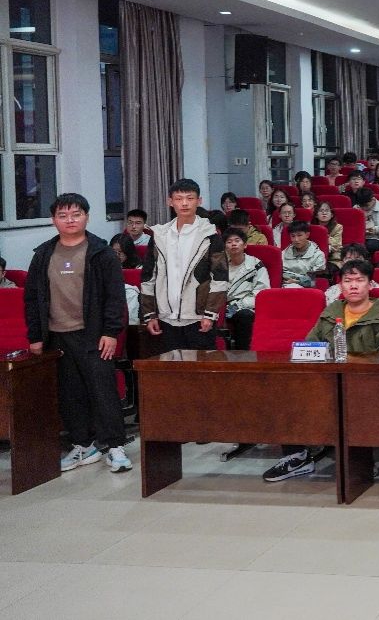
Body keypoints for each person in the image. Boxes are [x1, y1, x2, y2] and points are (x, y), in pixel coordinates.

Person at [264, 260, 379, 482]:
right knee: (286, 389)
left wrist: (356, 364)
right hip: (327, 380)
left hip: (367, 384)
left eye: (359, 280)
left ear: (370, 285)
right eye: (348, 281)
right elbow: (310, 345)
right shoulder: (331, 312)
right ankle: (297, 457)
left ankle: (361, 458)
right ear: (340, 286)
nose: (353, 286)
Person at [24, 193, 131, 474]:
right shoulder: (43, 254)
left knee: (103, 391)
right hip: (56, 336)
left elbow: (115, 297)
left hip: (93, 335)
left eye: (76, 214)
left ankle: (116, 446)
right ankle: (83, 445)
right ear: (53, 220)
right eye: (63, 215)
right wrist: (35, 336)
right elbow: (32, 298)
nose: (70, 220)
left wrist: (110, 332)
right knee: (70, 395)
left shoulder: (100, 253)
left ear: (86, 217)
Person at [139, 179, 228, 352]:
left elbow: (220, 277)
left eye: (190, 198)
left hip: (198, 317)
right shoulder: (159, 235)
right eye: (179, 199)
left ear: (199, 201)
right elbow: (149, 276)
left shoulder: (210, 235)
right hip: (165, 317)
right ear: (170, 202)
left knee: (201, 366)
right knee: (170, 366)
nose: (185, 203)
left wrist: (210, 314)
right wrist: (149, 314)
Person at [223, 227, 269, 350]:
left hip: (246, 307)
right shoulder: (220, 266)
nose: (233, 244)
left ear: (245, 245)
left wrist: (238, 305)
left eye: (237, 241)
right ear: (225, 247)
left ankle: (242, 353)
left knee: (244, 316)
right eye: (229, 242)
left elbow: (261, 292)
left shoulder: (256, 265)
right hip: (223, 307)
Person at [279, 220, 324, 287]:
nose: (296, 240)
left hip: (307, 288)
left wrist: (298, 281)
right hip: (284, 285)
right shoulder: (283, 253)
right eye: (293, 236)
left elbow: (317, 280)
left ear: (307, 235)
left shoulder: (318, 255)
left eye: (299, 235)